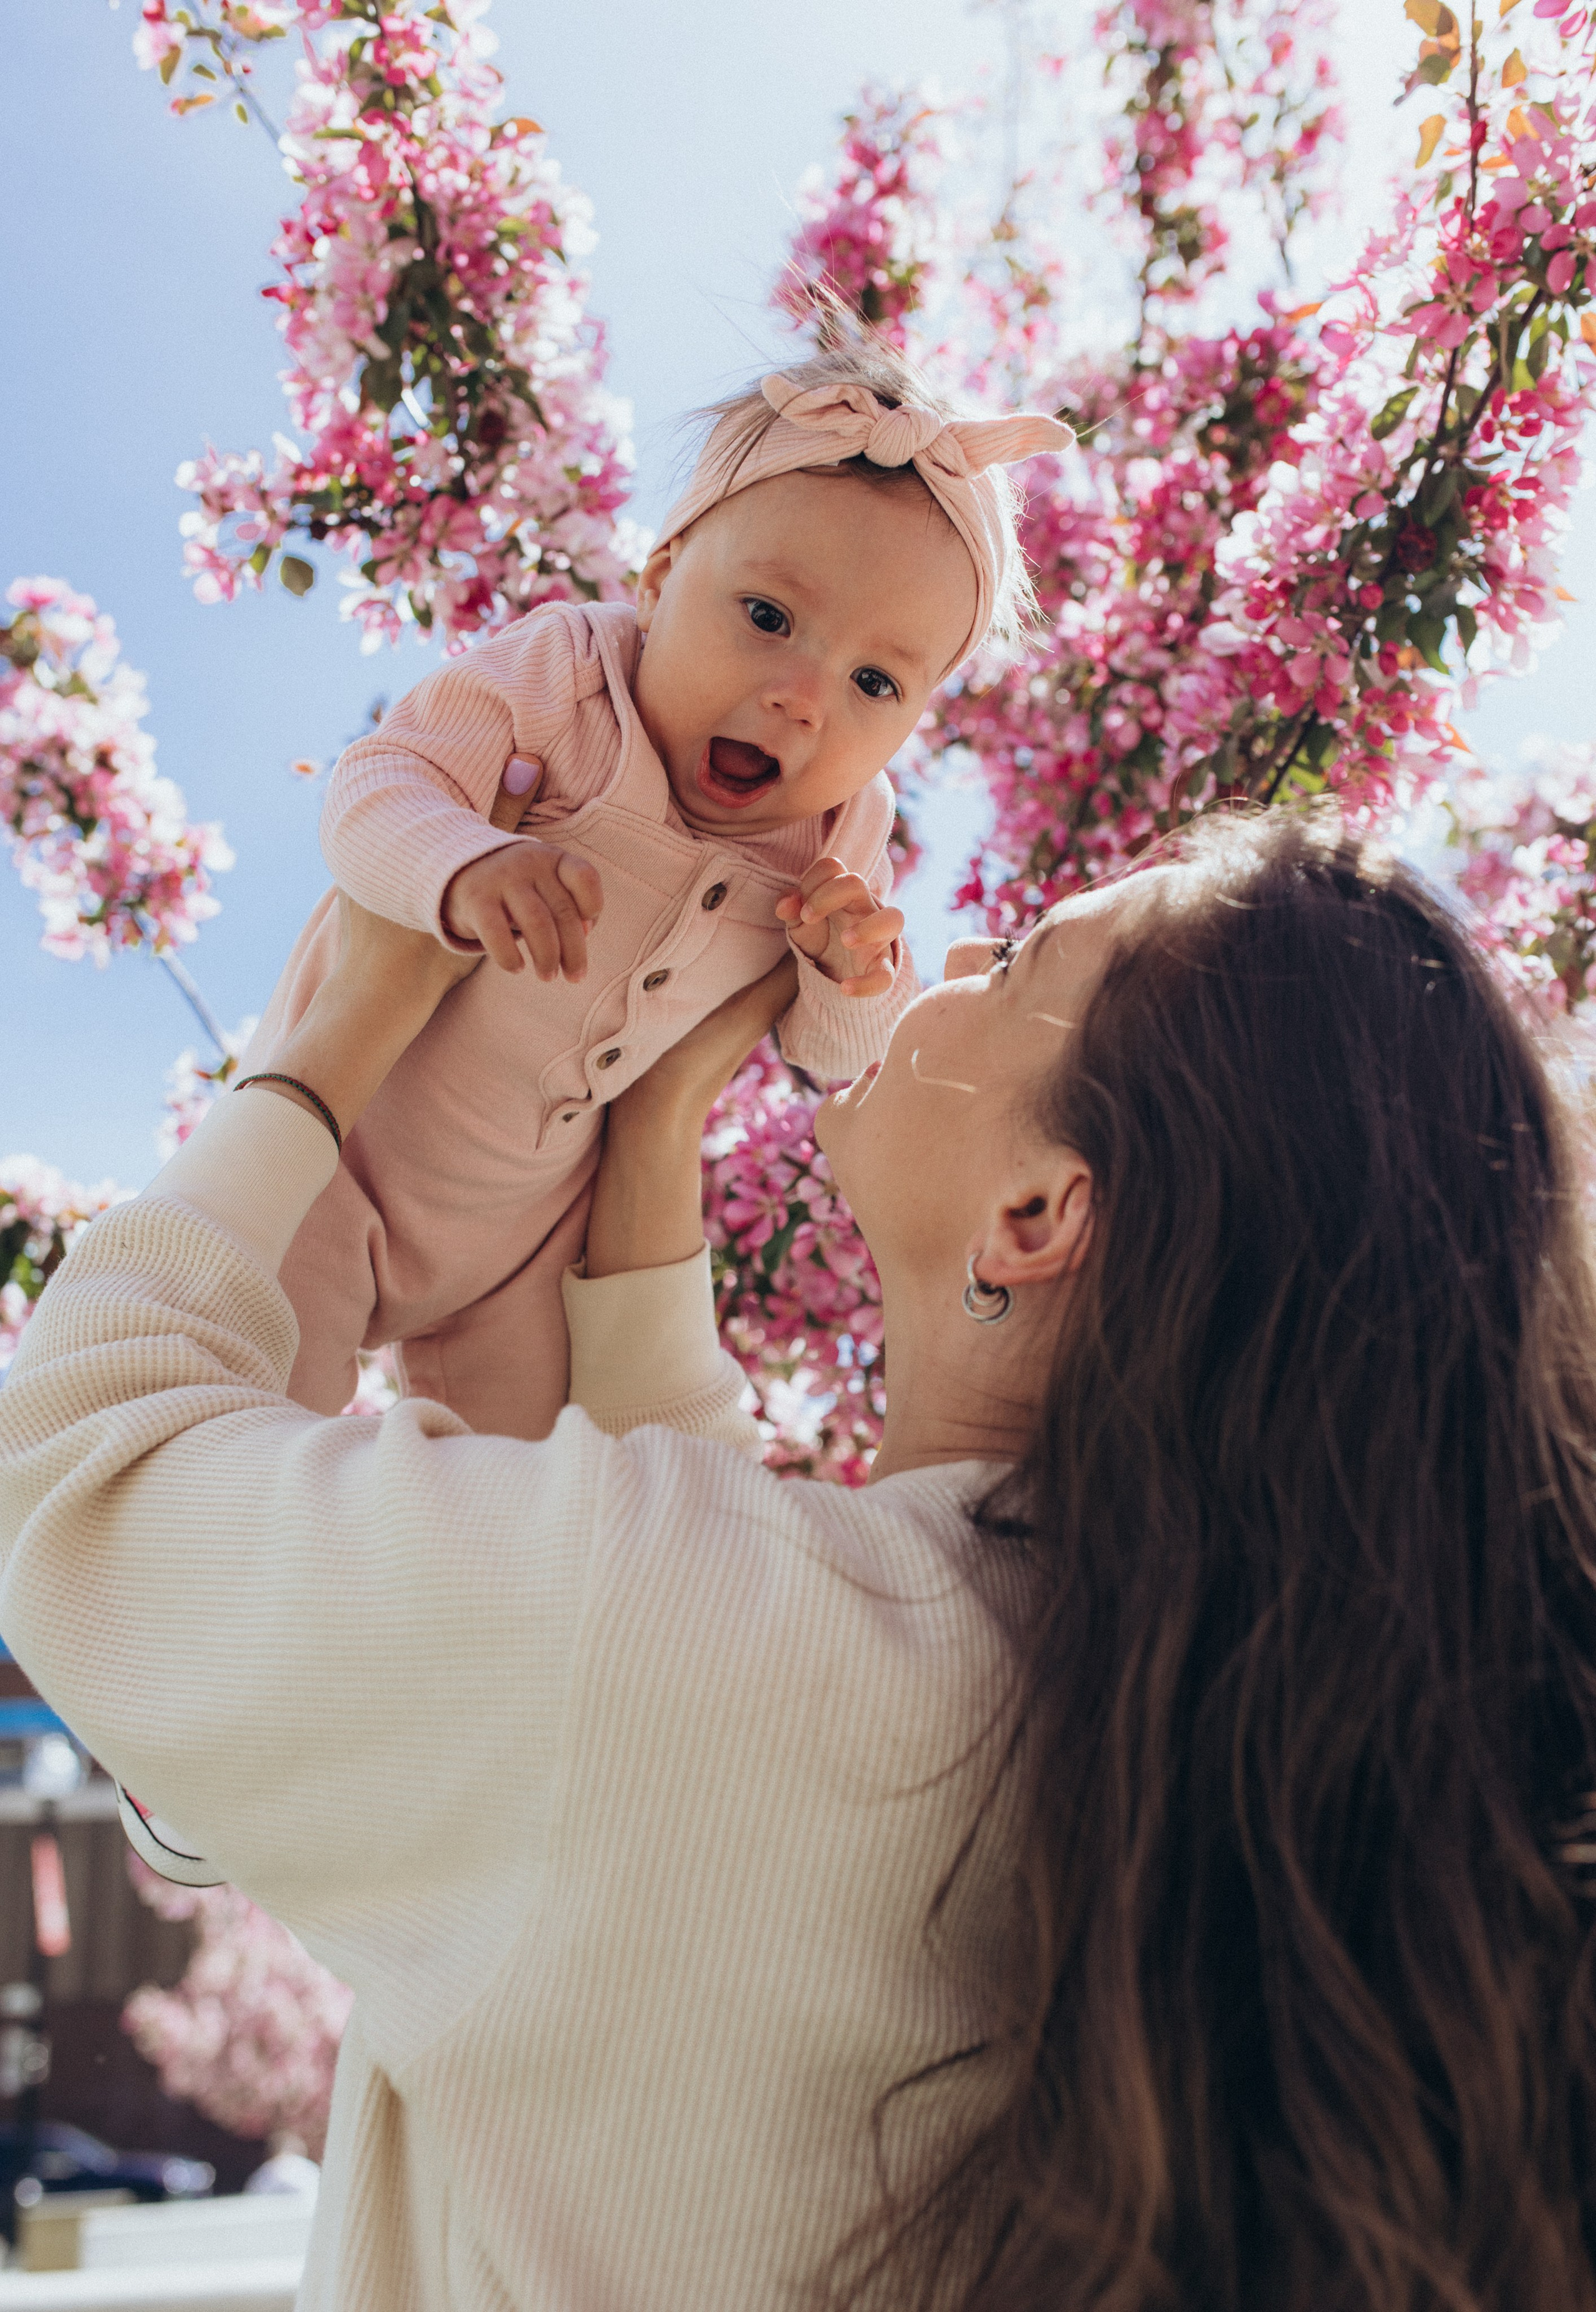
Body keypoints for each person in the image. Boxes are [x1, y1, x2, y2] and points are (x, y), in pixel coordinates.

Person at [4, 806, 1596, 2312]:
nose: (959, 957)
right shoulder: (1183, 1718)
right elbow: (726, 1693)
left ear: (1037, 1212)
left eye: (1025, 955)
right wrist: (647, 1147)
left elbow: (79, 1464)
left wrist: (331, 1038)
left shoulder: (684, 1655)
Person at [244, 339, 1072, 1440]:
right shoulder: (569, 673)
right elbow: (382, 785)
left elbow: (832, 1052)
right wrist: (465, 863)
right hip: (338, 1154)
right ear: (659, 572)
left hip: (529, 1243)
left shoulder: (840, 831)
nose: (800, 700)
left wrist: (849, 975)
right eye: (770, 619)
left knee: (525, 1508)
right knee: (247, 1422)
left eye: (876, 681)